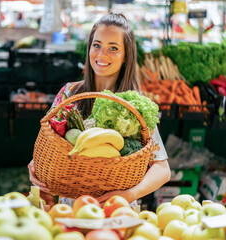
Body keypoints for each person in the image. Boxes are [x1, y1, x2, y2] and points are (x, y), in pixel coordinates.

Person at [28, 12, 171, 205]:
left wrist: (130, 194)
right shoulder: (69, 93)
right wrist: (37, 164)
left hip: (117, 209)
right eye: (97, 45)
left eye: (113, 48)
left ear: (126, 56)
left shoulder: (134, 106)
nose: (102, 54)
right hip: (72, 206)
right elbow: (48, 145)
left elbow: (162, 169)